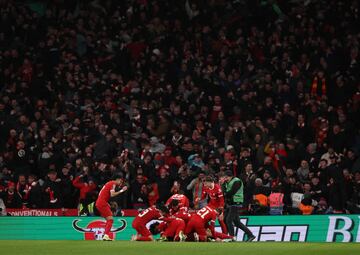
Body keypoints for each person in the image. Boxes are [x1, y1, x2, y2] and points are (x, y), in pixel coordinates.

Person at [221, 171, 255, 241]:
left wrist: (224, 191)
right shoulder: (227, 182)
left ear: (230, 176)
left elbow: (231, 193)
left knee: (228, 220)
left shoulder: (237, 181)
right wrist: (223, 185)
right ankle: (250, 235)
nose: (225, 179)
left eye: (226, 177)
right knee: (236, 222)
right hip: (231, 203)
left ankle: (231, 237)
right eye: (225, 177)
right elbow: (225, 192)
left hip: (236, 202)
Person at [95, 173, 128, 241]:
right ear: (118, 179)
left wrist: (107, 204)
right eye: (121, 181)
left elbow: (104, 194)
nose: (121, 182)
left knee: (108, 220)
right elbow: (112, 194)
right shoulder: (113, 183)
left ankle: (105, 235)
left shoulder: (108, 183)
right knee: (110, 219)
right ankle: (106, 235)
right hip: (102, 203)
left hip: (100, 203)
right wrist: (122, 190)